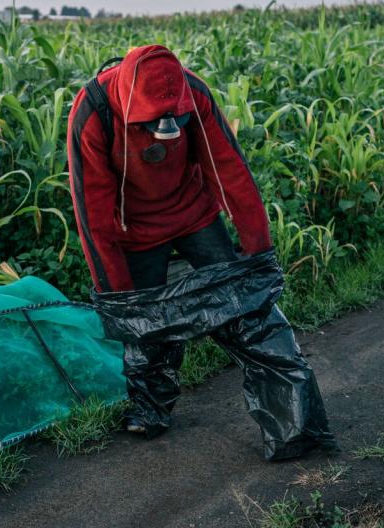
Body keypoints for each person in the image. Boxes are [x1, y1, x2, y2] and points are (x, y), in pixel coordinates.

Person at [66, 44, 335, 460]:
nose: (166, 128)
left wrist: (257, 253)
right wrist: (120, 296)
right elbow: (93, 215)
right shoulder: (93, 112)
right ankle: (150, 408)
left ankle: (293, 421)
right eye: (154, 122)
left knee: (247, 308)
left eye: (174, 118)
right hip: (133, 229)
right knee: (147, 325)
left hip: (194, 212)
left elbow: (232, 173)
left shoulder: (194, 94)